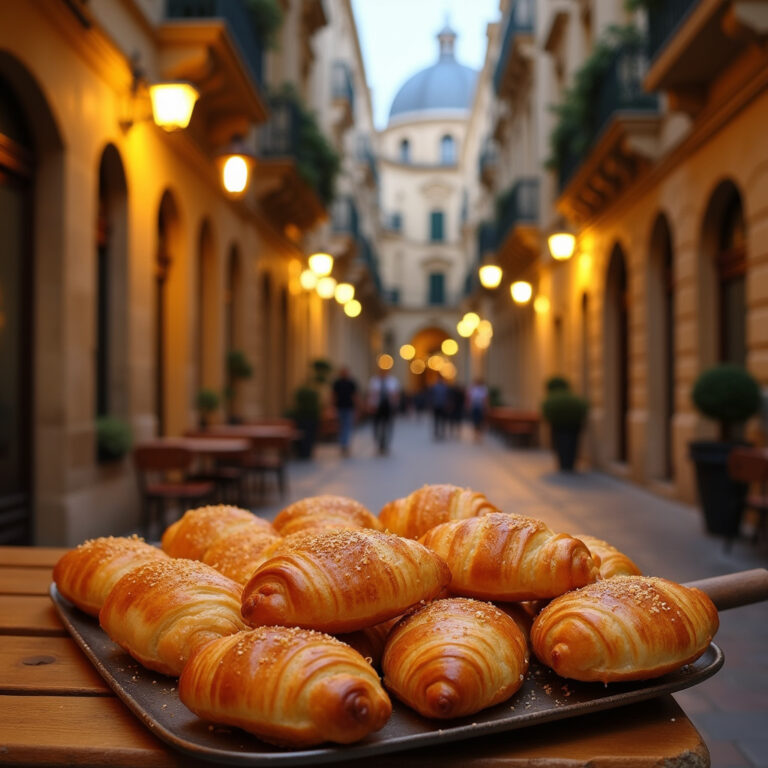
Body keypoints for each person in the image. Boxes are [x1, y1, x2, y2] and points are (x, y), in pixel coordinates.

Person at [367, 369, 400, 455]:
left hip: (388, 407)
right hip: (377, 407)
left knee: (388, 425)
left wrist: (395, 405)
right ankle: (379, 442)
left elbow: (395, 394)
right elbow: (371, 394)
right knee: (377, 426)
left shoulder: (392, 381)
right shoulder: (374, 381)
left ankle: (385, 444)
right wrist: (370, 405)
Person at [332, 366, 358, 456]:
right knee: (342, 426)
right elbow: (333, 395)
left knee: (347, 426)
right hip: (340, 407)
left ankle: (345, 444)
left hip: (349, 408)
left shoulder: (351, 383)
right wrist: (332, 407)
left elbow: (354, 396)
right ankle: (343, 444)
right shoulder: (337, 383)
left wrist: (357, 407)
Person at [467, 378, 490, 442]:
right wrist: (469, 406)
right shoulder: (472, 389)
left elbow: (485, 399)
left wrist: (486, 407)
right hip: (474, 407)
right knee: (475, 421)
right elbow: (469, 398)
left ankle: (479, 435)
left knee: (480, 421)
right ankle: (475, 435)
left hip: (480, 407)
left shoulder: (483, 389)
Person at [429, 375, 450, 440]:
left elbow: (431, 397)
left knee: (438, 420)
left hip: (439, 405)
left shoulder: (436, 387)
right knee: (440, 420)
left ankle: (438, 432)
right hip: (439, 405)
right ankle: (439, 432)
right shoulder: (444, 387)